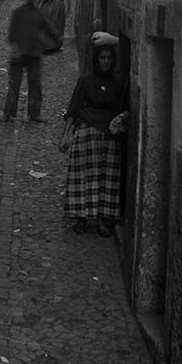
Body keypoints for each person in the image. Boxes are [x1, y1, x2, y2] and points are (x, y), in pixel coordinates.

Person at [59, 43, 129, 236]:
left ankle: (101, 219)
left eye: (109, 58)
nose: (105, 62)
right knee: (82, 175)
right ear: (96, 59)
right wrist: (65, 135)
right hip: (87, 132)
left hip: (109, 136)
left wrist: (122, 118)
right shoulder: (85, 80)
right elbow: (73, 109)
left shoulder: (118, 84)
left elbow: (124, 109)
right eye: (102, 58)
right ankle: (80, 217)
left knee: (107, 179)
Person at [0, 0, 62, 124]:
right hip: (19, 55)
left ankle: (34, 114)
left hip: (34, 55)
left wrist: (60, 37)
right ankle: (7, 113)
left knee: (35, 85)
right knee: (14, 85)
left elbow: (48, 29)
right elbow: (12, 33)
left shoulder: (39, 14)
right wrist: (15, 49)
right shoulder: (18, 12)